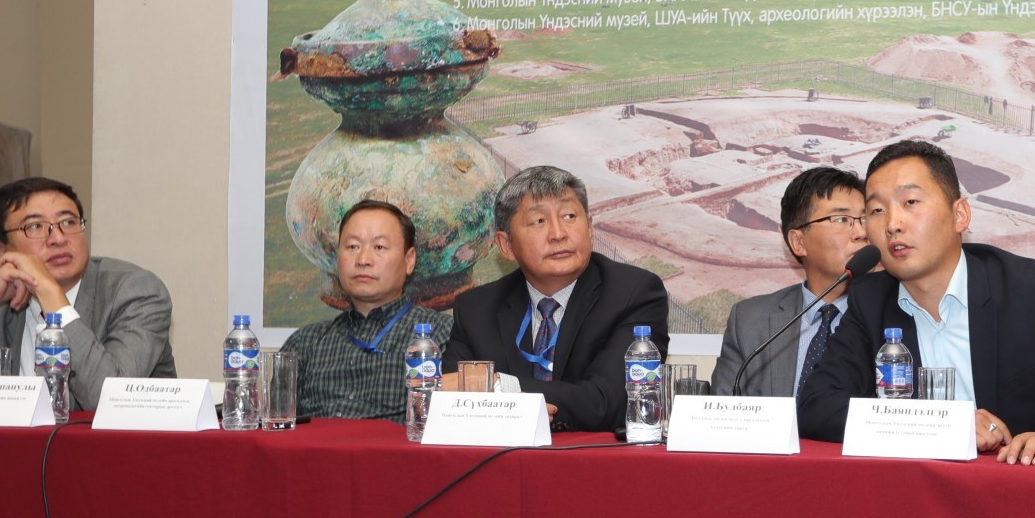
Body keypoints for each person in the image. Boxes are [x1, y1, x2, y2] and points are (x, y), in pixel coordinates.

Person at [796, 139, 1035, 465]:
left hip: (1022, 489)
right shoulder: (870, 300)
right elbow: (816, 405)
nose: (893, 224)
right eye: (876, 210)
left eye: (910, 202)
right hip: (918, 490)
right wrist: (935, 424)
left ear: (959, 215)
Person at [441, 165, 668, 432]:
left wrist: (498, 385)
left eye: (569, 216)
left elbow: (607, 402)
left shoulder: (633, 293)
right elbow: (449, 401)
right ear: (506, 245)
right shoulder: (476, 309)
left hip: (591, 456)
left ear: (589, 228)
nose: (558, 234)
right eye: (539, 221)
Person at [0, 176, 176, 410]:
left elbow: (110, 401)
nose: (58, 238)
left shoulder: (136, 293)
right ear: (0, 249)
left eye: (68, 222)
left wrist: (50, 294)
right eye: (36, 227)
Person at [282, 199, 453, 423]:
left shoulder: (440, 336)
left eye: (379, 247)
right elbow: (273, 426)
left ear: (409, 260)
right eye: (352, 247)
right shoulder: (304, 343)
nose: (363, 260)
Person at [710, 166, 869, 398]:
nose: (861, 232)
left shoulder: (895, 313)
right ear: (798, 242)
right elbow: (723, 413)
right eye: (842, 219)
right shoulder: (749, 322)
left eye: (865, 218)